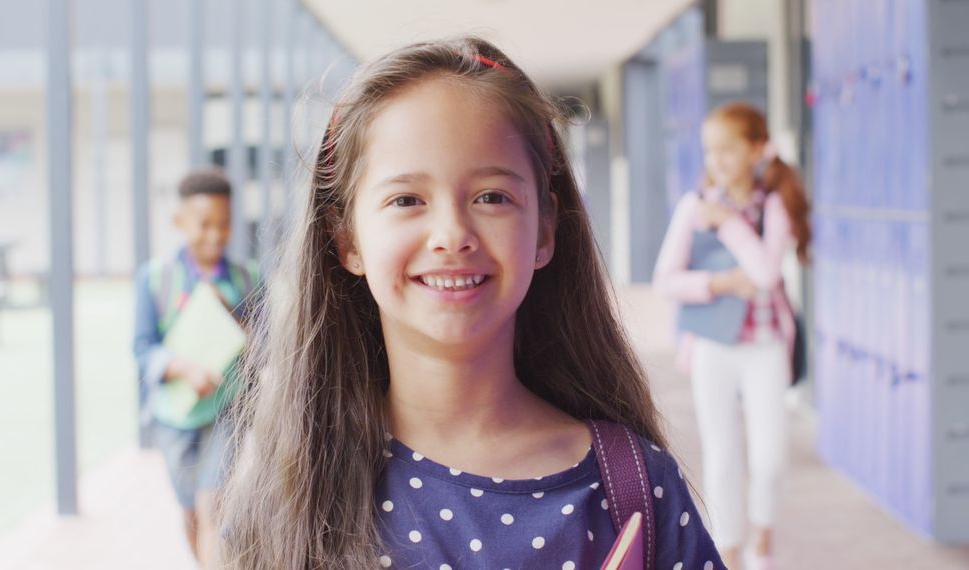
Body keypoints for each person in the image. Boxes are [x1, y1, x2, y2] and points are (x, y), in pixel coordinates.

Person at [219, 37, 724, 569]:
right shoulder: (288, 491)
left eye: (492, 197)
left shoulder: (633, 488)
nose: (452, 234)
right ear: (346, 238)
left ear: (546, 228)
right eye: (406, 200)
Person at [653, 102, 812, 570]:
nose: (716, 161)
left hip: (764, 347)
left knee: (769, 457)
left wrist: (727, 222)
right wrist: (719, 284)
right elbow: (666, 279)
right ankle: (731, 553)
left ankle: (764, 540)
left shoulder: (773, 204)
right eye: (710, 151)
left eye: (727, 149)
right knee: (721, 455)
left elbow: (764, 274)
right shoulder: (691, 206)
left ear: (757, 149)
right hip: (711, 346)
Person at [132, 168, 259, 569]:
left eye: (224, 224)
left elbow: (267, 344)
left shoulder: (248, 278)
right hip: (176, 415)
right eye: (204, 225)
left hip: (229, 410)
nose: (215, 235)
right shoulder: (155, 279)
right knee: (191, 512)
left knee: (214, 506)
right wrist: (182, 367)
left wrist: (238, 324)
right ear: (179, 222)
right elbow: (142, 349)